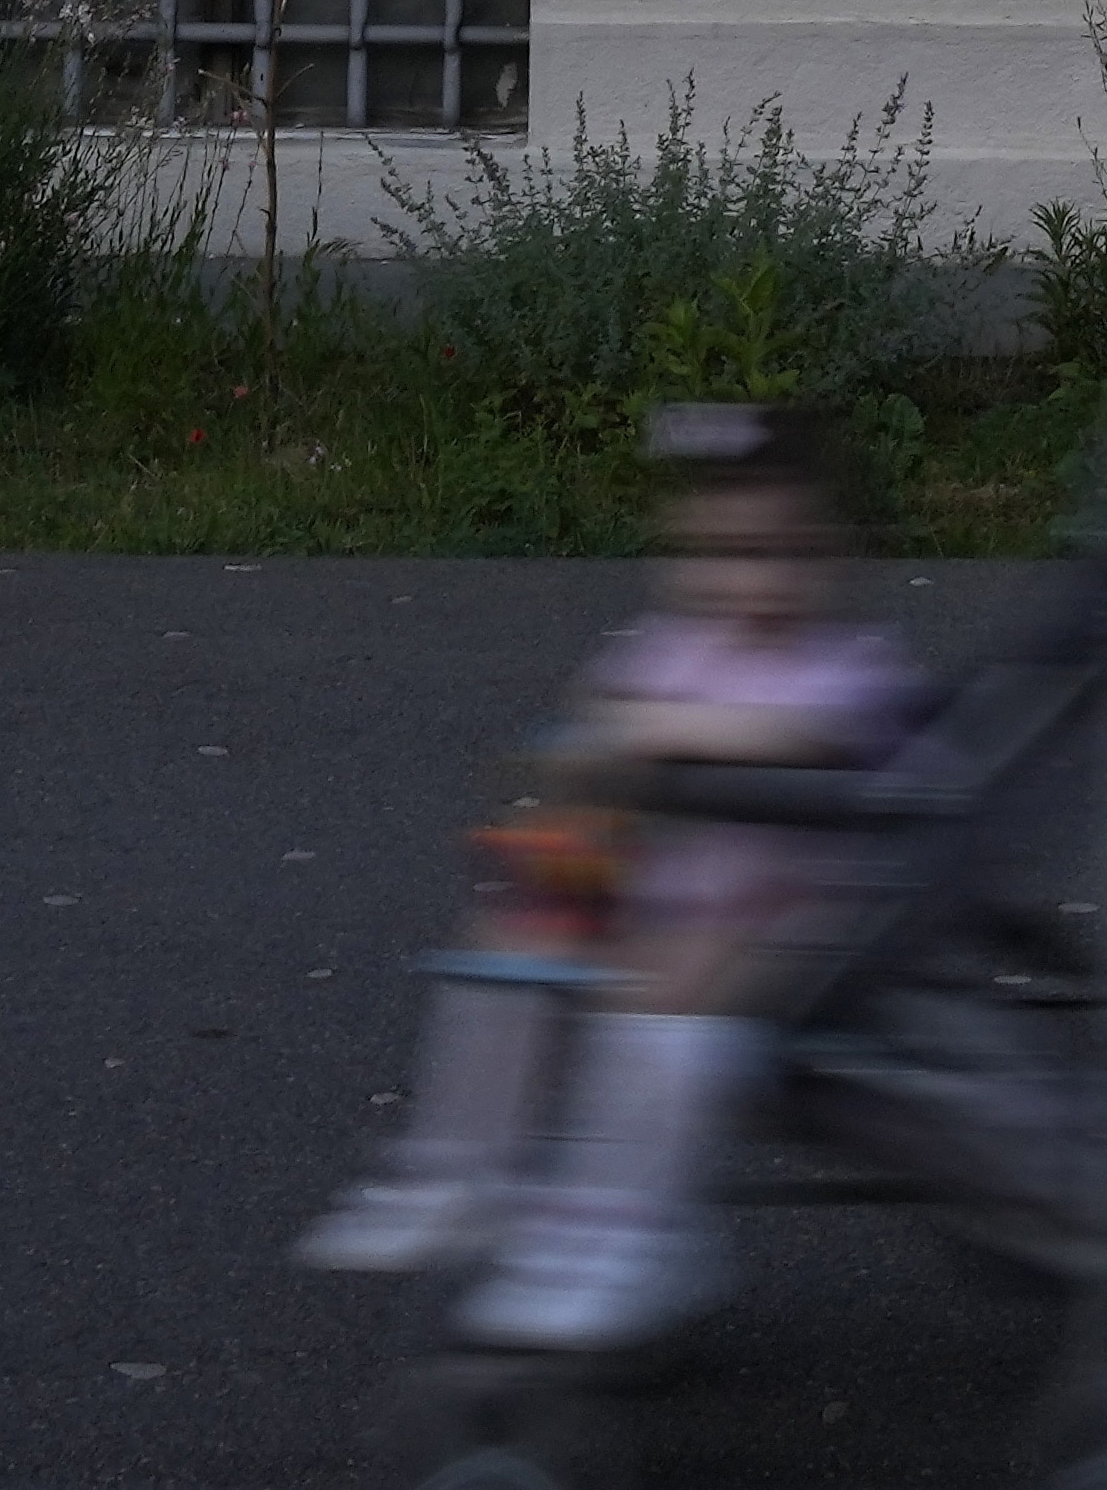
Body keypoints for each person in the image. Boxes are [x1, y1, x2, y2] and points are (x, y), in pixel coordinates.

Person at [294, 393, 922, 1355]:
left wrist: (662, 735)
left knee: (666, 981)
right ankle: (463, 1166)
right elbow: (593, 728)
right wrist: (587, 764)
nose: (745, 583)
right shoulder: (670, 649)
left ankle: (627, 1230)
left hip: (798, 919)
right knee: (509, 927)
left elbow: (796, 740)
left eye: (775, 553)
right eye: (711, 555)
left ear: (833, 551)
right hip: (670, 897)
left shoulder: (848, 669)